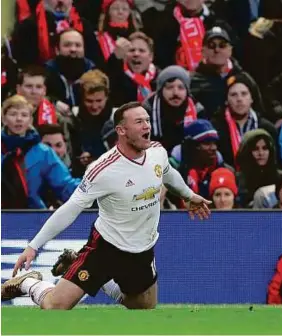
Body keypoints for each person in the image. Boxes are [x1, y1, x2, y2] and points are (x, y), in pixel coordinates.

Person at [1, 101, 212, 310]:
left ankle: (89, 273)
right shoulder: (102, 169)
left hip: (142, 248)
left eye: (147, 120)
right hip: (106, 247)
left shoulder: (157, 152)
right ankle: (29, 282)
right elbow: (71, 207)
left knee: (143, 307)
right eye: (139, 122)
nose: (147, 126)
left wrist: (189, 195)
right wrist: (33, 246)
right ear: (121, 130)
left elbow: (167, 173)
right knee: (56, 306)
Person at [1, 95, 80, 209]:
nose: (19, 119)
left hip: (33, 216)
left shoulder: (43, 152)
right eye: (13, 114)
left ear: (30, 120)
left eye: (24, 115)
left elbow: (64, 185)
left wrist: (92, 186)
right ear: (3, 119)